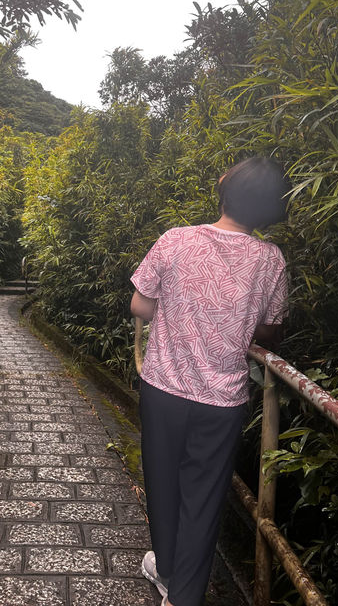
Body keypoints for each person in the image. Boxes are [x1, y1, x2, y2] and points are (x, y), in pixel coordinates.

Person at [130, 157, 289, 606]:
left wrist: (180, 310)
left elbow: (140, 306)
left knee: (162, 484)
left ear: (224, 188)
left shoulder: (176, 240)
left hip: (164, 387)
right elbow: (270, 329)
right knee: (203, 498)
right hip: (222, 399)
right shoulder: (270, 261)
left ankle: (165, 567)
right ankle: (182, 595)